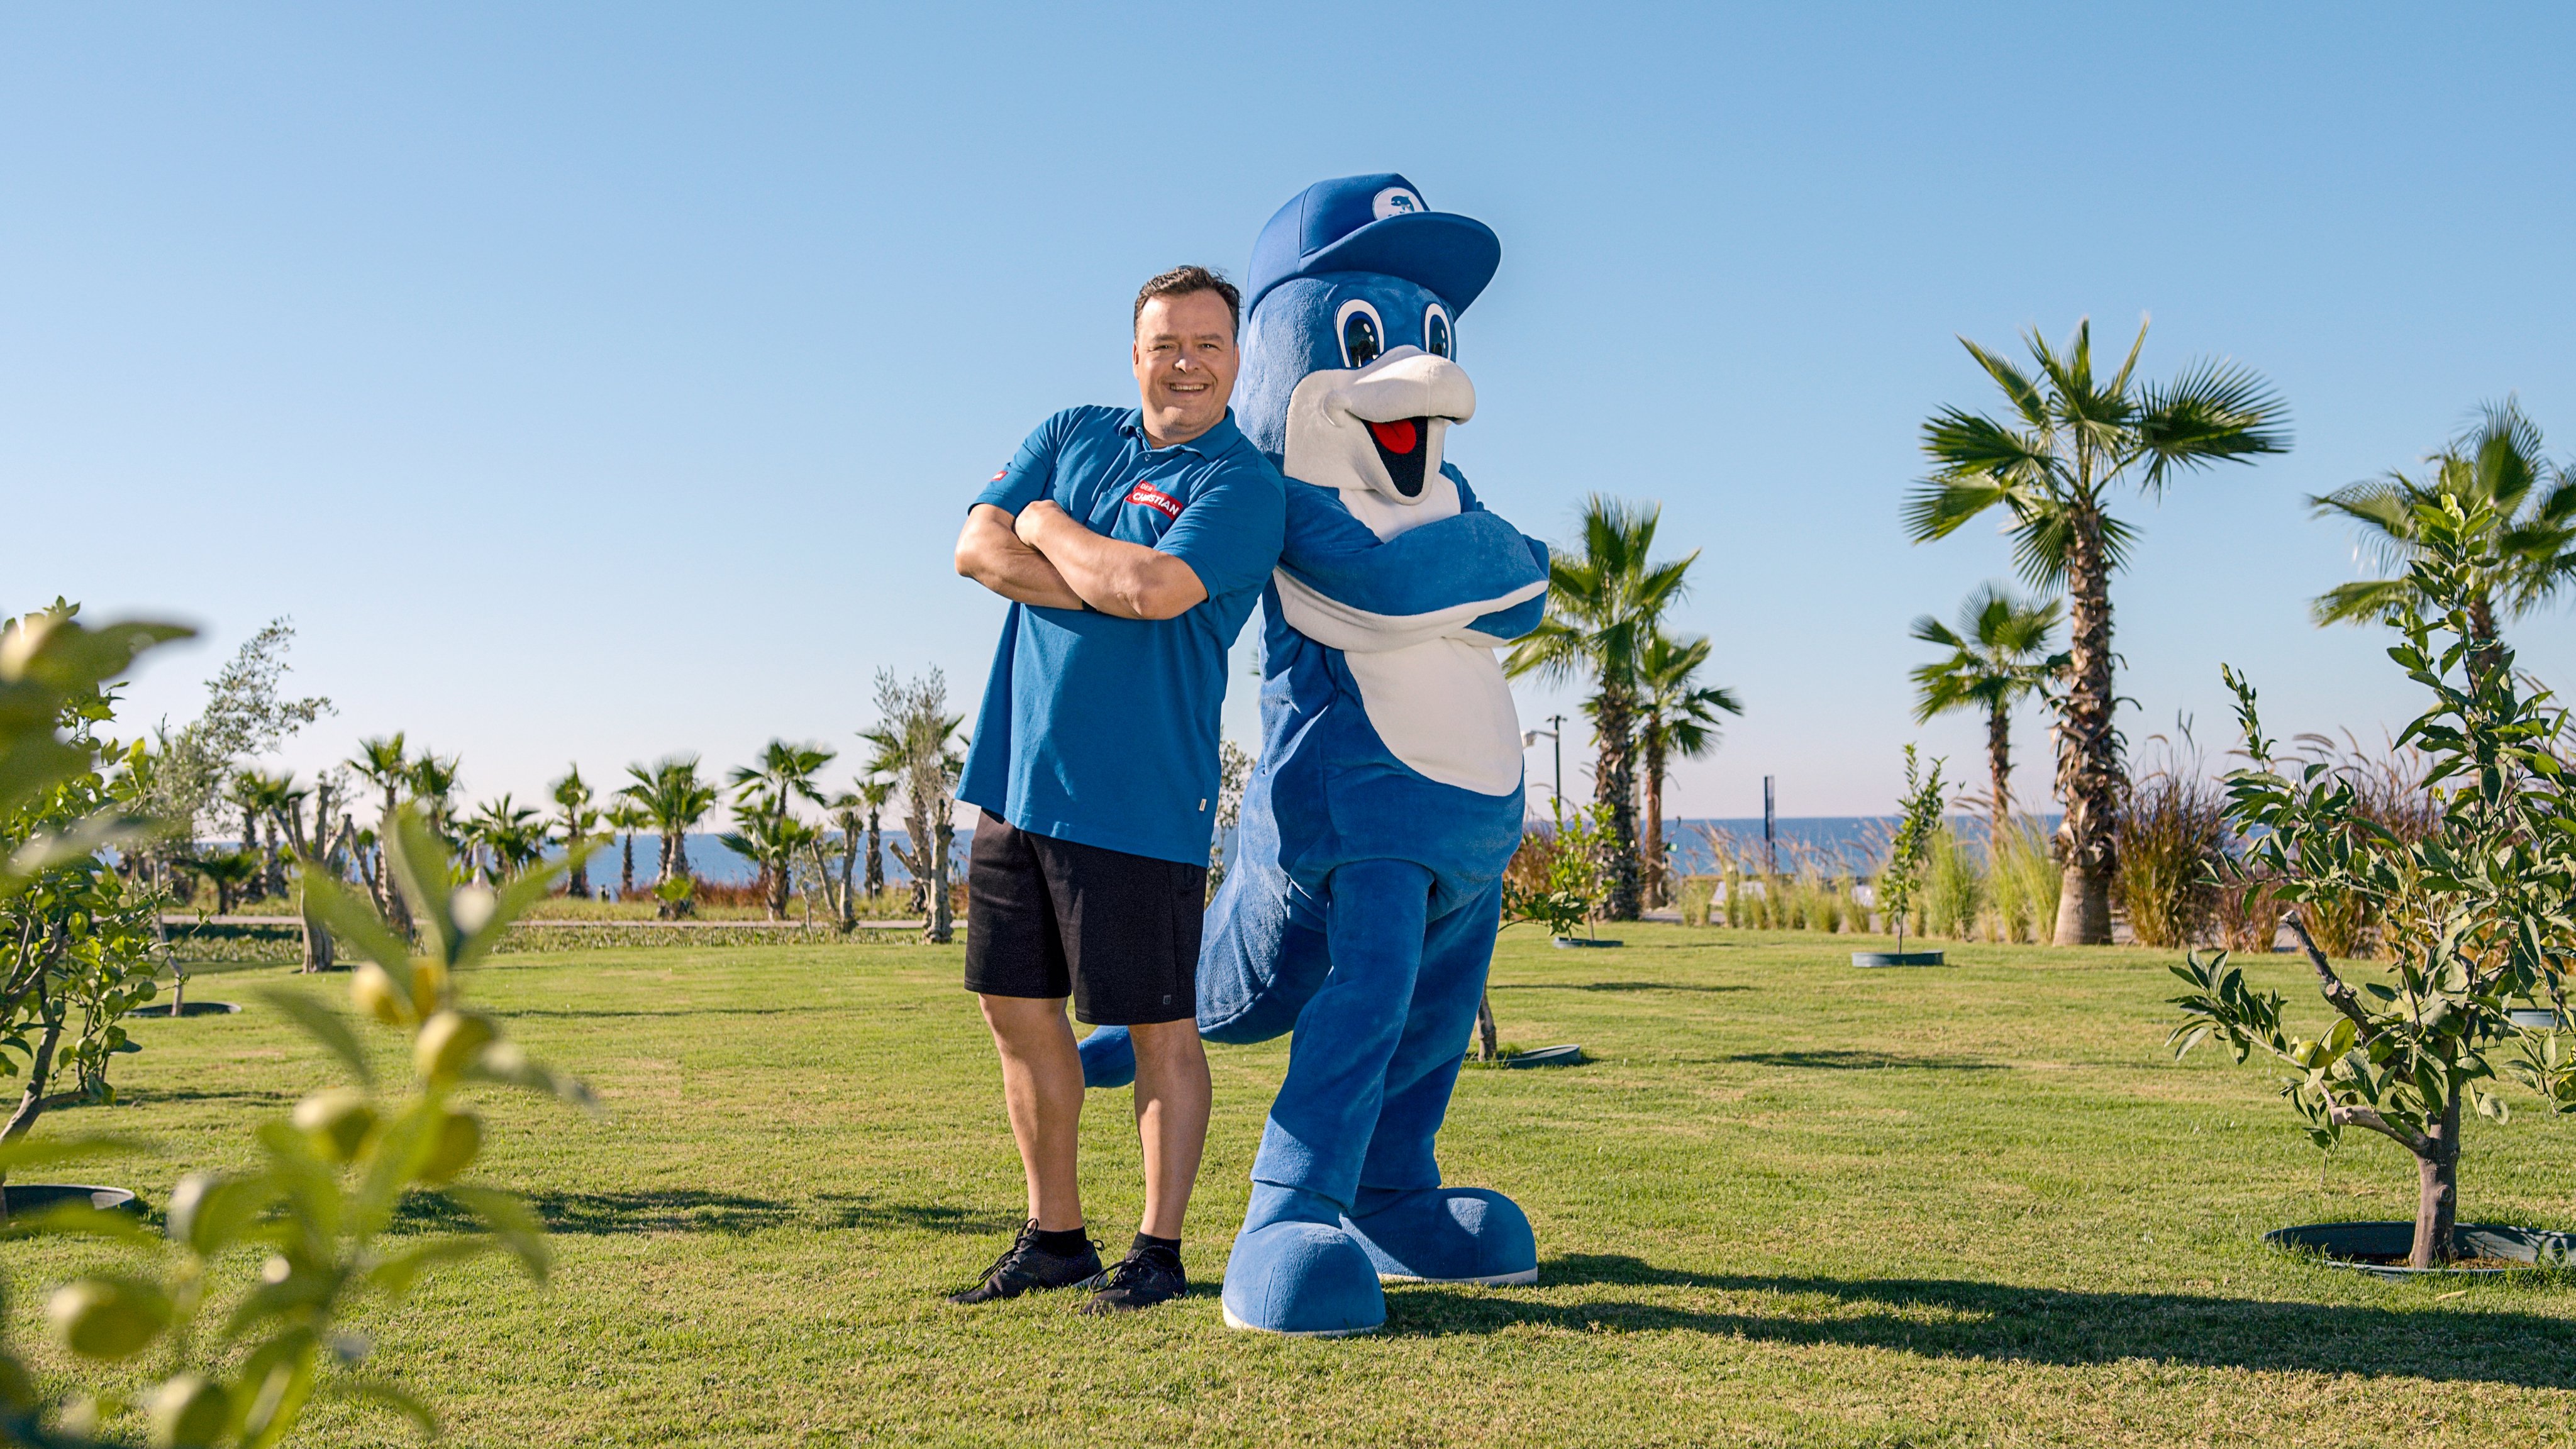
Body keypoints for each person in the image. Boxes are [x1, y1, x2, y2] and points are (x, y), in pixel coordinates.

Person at [947, 265, 1286, 1314]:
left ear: (1237, 361)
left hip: (1142, 797)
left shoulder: (1242, 484)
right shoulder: (1071, 431)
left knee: (1158, 1028)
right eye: (1164, 344)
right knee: (1017, 1013)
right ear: (1134, 352)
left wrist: (1045, 528)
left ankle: (1159, 1250)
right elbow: (972, 547)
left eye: (1207, 345)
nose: (1184, 362)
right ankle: (1056, 1236)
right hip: (1016, 780)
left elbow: (1152, 590)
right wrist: (1095, 571)